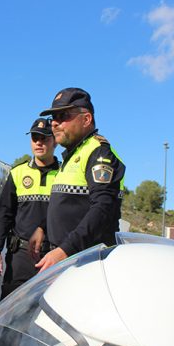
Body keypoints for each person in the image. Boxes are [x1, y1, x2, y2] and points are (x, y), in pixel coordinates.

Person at [31, 88, 126, 272]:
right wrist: (43, 228)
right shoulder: (73, 155)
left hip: (87, 264)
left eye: (63, 116)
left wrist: (65, 250)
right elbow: (69, 206)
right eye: (54, 118)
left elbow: (102, 209)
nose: (55, 124)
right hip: (70, 260)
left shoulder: (99, 152)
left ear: (86, 119)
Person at [0, 118, 59, 298]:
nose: (38, 142)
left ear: (55, 141)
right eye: (35, 137)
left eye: (44, 138)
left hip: (54, 256)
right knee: (12, 314)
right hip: (20, 255)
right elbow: (3, 214)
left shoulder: (65, 174)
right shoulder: (18, 173)